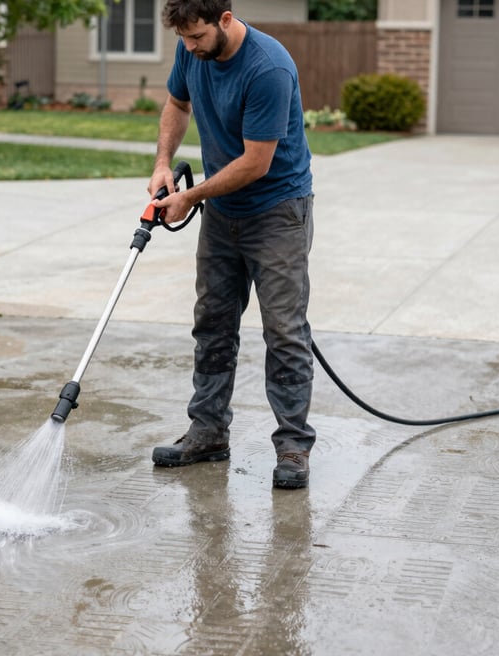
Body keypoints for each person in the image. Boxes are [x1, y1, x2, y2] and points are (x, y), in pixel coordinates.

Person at [148, 0, 316, 489]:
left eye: (197, 37)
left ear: (225, 19)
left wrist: (190, 196)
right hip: (223, 214)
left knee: (284, 331)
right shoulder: (192, 50)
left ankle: (292, 447)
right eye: (183, 40)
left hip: (277, 212)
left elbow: (255, 163)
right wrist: (164, 162)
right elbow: (177, 104)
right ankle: (208, 432)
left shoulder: (268, 67)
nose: (190, 48)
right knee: (213, 323)